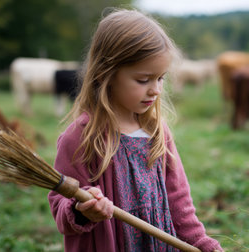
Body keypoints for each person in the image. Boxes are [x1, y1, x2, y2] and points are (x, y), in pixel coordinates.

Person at [48, 8, 223, 252]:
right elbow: (60, 205)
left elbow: (179, 202)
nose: (156, 90)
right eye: (143, 80)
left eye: (160, 78)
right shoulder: (81, 137)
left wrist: (202, 243)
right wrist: (83, 209)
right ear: (105, 73)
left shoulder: (157, 132)